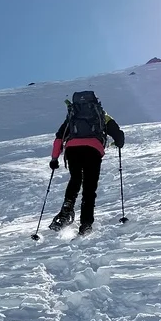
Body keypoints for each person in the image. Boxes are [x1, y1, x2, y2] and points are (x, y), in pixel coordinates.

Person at [48, 91, 125, 235]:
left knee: (75, 178)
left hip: (72, 149)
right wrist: (118, 143)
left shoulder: (72, 116)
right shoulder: (101, 115)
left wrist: (54, 158)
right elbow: (119, 135)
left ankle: (67, 207)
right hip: (93, 150)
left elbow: (59, 137)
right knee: (89, 187)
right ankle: (86, 224)